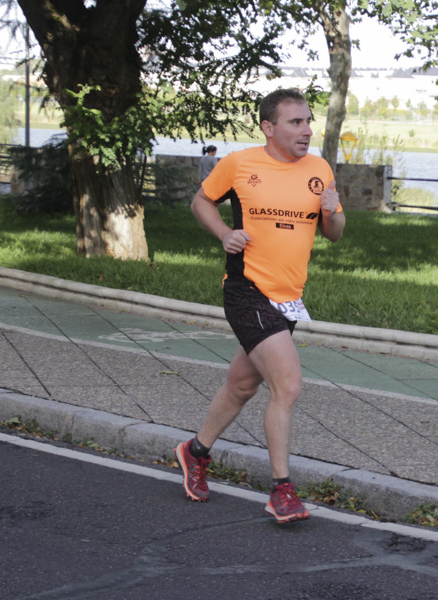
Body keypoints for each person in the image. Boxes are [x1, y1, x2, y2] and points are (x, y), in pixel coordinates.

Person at [177, 88, 346, 524]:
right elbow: (201, 201)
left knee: (241, 385)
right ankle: (281, 490)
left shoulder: (319, 168)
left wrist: (332, 211)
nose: (307, 130)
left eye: (308, 121)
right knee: (287, 386)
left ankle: (194, 453)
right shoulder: (240, 163)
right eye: (295, 122)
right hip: (246, 288)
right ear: (269, 128)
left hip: (288, 298)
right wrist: (223, 234)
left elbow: (336, 233)